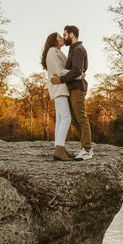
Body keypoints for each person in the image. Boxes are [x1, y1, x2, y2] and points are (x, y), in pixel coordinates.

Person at [51, 25, 93, 161]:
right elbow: (79, 70)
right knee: (74, 120)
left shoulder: (78, 49)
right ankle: (84, 148)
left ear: (72, 35)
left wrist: (60, 79)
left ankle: (87, 150)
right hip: (72, 88)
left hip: (77, 88)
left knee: (81, 118)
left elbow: (77, 70)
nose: (63, 37)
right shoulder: (72, 50)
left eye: (65, 34)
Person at [42, 32, 74, 161]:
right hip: (59, 88)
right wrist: (77, 74)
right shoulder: (52, 52)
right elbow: (60, 71)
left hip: (59, 88)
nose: (62, 38)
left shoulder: (56, 52)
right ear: (54, 41)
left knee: (61, 119)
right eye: (59, 37)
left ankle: (59, 148)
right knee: (66, 118)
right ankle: (59, 149)